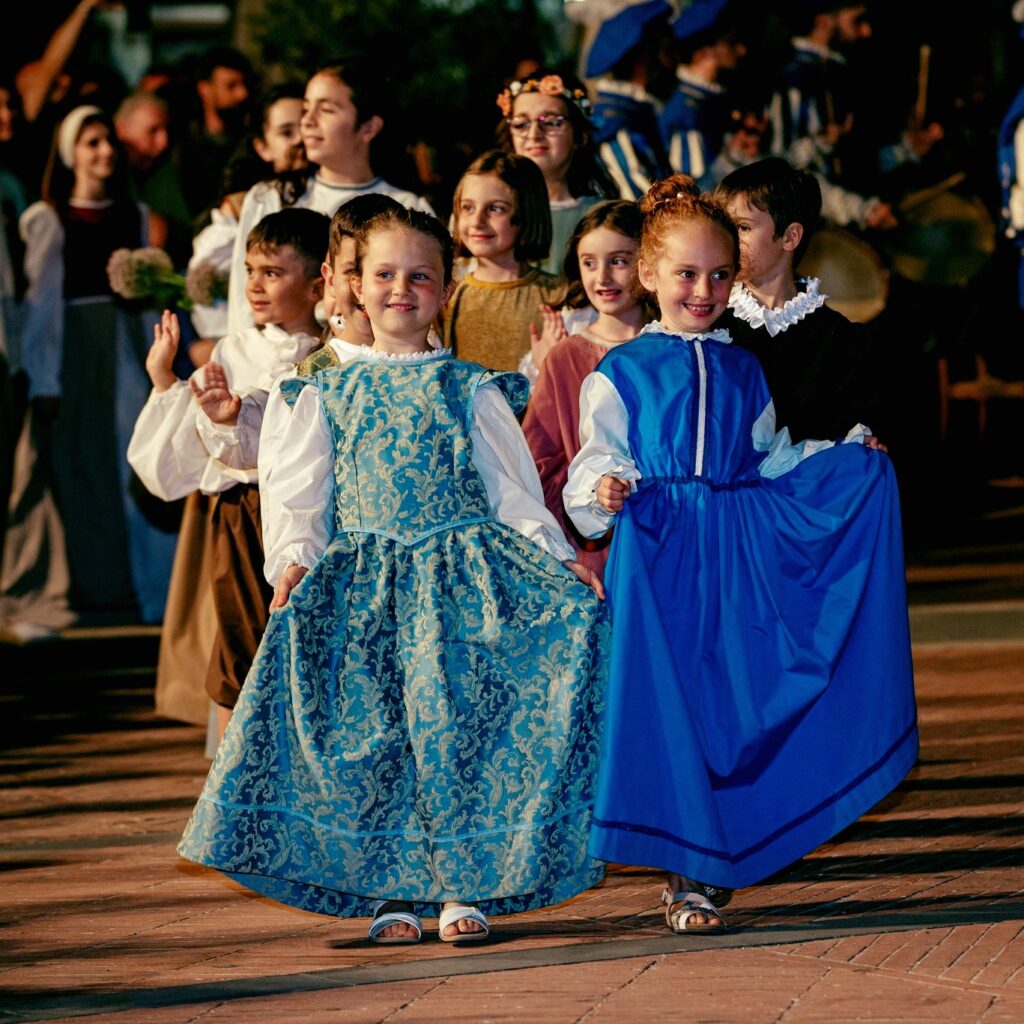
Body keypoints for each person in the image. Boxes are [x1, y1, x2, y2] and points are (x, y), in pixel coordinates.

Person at [178, 203, 607, 945]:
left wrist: (558, 557)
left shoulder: (470, 386)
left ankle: (463, 885)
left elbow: (512, 492)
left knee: (457, 732)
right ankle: (390, 891)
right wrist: (292, 564)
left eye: (420, 276)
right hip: (364, 586)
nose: (400, 289)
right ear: (352, 284)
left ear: (446, 289)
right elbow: (300, 494)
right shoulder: (322, 389)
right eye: (384, 274)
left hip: (463, 585)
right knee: (376, 736)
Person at [564, 175, 917, 933]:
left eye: (720, 274)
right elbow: (592, 462)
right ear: (648, 275)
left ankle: (721, 851)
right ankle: (686, 877)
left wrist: (848, 456)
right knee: (669, 706)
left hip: (730, 548)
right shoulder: (620, 371)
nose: (704, 289)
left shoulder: (743, 369)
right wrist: (605, 491)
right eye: (686, 273)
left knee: (724, 701)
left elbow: (772, 460)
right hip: (658, 556)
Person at [128, 208, 328, 743]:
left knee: (310, 642)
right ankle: (238, 766)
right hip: (246, 513)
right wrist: (167, 380)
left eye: (272, 272)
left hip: (316, 512)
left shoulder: (335, 352)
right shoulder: (235, 348)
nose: (255, 285)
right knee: (242, 638)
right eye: (249, 270)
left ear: (317, 284)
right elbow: (188, 457)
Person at [21, 105, 178, 623]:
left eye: (108, 140)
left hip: (128, 344)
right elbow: (41, 304)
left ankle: (141, 586)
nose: (104, 151)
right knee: (85, 469)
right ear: (70, 153)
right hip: (78, 353)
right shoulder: (49, 219)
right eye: (91, 142)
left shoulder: (132, 216)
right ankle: (95, 586)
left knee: (132, 460)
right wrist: (44, 377)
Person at [225, 56, 434, 336]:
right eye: (306, 109)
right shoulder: (272, 197)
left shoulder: (407, 209)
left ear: (369, 127)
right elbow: (242, 301)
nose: (308, 122)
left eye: (326, 110)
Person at [715, 157, 887, 443]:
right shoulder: (709, 320)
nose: (728, 240)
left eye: (742, 228)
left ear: (790, 237)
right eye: (724, 227)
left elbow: (847, 430)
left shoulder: (840, 340)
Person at [522, 199, 651, 573]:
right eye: (589, 262)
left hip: (667, 529)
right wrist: (592, 490)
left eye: (619, 261)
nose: (602, 277)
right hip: (594, 544)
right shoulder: (565, 358)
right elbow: (537, 463)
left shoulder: (670, 350)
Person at [188, 84, 308, 354]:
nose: (300, 139)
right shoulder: (259, 200)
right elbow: (230, 281)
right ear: (263, 147)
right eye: (286, 132)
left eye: (307, 125)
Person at [444, 150, 566, 373]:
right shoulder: (446, 297)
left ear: (526, 213)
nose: (477, 221)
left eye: (495, 209)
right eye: (468, 208)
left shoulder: (558, 296)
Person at [497, 69, 618, 274]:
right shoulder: (487, 209)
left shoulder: (602, 216)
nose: (534, 134)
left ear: (580, 135)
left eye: (552, 122)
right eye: (521, 124)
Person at [585, 0, 673, 200]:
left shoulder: (636, 114)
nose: (675, 61)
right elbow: (642, 203)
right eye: (667, 50)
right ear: (643, 58)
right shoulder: (615, 126)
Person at [660, 0, 745, 185]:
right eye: (729, 42)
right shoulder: (688, 113)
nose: (741, 50)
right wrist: (735, 156)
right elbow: (694, 187)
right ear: (704, 51)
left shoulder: (706, 101)